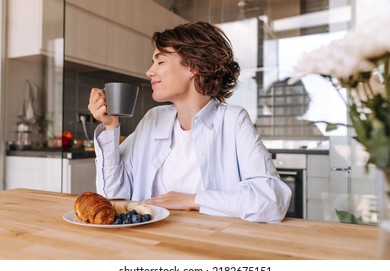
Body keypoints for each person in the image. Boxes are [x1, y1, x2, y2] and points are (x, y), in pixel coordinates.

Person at [88, 21, 291, 223]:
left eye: (160, 62)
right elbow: (113, 195)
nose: (149, 72)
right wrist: (110, 126)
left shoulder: (233, 121)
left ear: (193, 66)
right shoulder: (153, 118)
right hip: (150, 243)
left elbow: (271, 201)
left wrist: (192, 200)